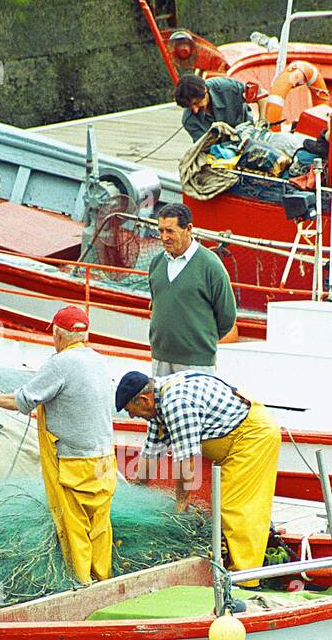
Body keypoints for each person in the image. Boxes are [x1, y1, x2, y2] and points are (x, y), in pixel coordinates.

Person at [0, 306, 116, 583]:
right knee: (100, 527)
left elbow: (24, 400)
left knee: (75, 528)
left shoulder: (60, 363)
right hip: (105, 462)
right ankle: (104, 580)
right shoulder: (100, 361)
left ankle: (82, 586)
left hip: (74, 463)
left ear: (58, 335)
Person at [115, 369, 281, 579]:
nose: (132, 416)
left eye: (132, 410)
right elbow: (150, 457)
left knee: (236, 507)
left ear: (144, 399)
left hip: (252, 437)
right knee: (225, 505)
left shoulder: (176, 403)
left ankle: (244, 579)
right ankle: (231, 566)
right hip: (233, 442)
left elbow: (186, 461)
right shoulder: (156, 408)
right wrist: (134, 493)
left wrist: (180, 505)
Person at [149, 202, 237, 377]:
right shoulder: (156, 263)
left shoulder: (210, 266)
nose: (164, 237)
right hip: (160, 358)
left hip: (197, 363)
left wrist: (199, 343)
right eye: (161, 231)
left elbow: (227, 316)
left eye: (170, 231)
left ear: (188, 229)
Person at [175, 72, 253, 144]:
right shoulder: (189, 121)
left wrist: (261, 119)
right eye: (189, 106)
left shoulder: (228, 87)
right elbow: (204, 146)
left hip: (248, 135)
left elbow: (261, 94)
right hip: (219, 151)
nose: (195, 110)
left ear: (205, 90)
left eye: (196, 103)